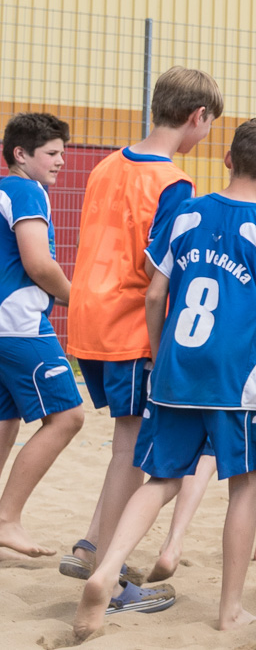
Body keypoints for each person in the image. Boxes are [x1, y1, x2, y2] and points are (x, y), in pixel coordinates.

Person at [72, 119, 256, 640]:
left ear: (227, 159)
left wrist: (161, 356)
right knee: (245, 485)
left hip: (176, 370)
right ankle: (229, 612)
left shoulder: (187, 213)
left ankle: (106, 570)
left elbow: (155, 294)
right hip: (236, 381)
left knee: (160, 479)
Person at [61, 66, 220, 616]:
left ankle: (91, 544)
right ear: (198, 116)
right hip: (129, 324)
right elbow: (159, 271)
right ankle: (108, 574)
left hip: (87, 316)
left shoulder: (107, 163)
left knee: (122, 443)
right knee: (130, 449)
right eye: (209, 125)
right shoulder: (174, 183)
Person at [144, 154, 256, 582]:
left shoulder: (196, 214)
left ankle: (173, 541)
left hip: (186, 362)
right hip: (249, 367)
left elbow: (155, 289)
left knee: (196, 458)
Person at [0, 113, 85, 557]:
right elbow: (38, 263)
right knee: (68, 417)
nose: (60, 161)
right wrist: (81, 301)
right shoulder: (26, 190)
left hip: (4, 325)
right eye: (51, 153)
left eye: (62, 153)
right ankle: (7, 519)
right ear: (21, 154)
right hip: (19, 325)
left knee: (6, 418)